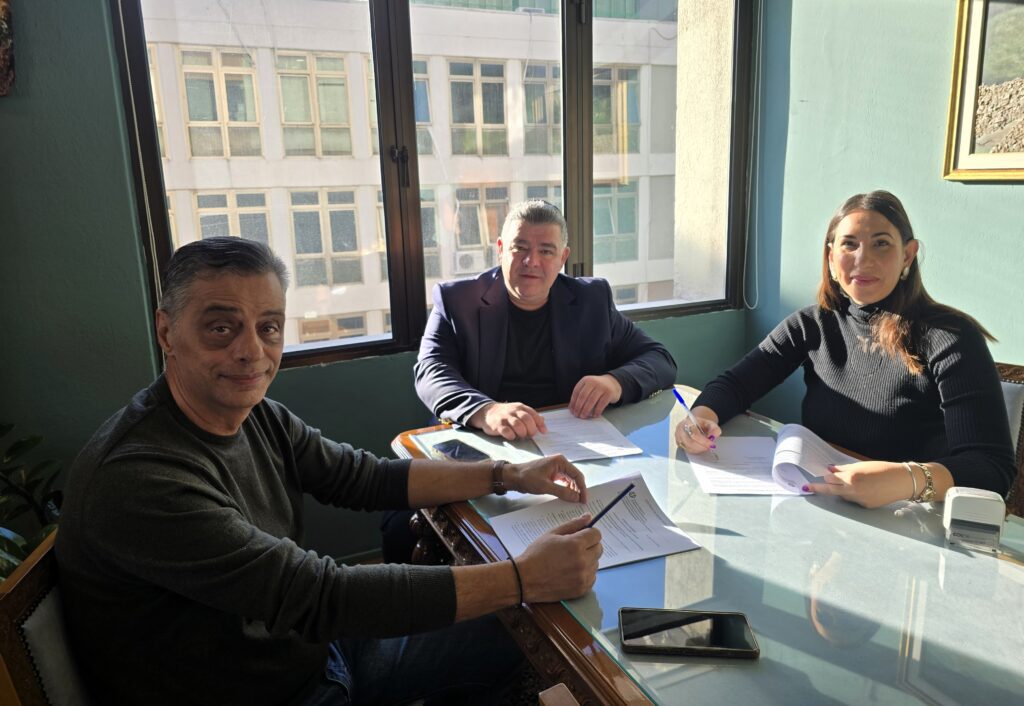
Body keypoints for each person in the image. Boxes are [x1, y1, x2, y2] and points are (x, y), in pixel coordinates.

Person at [55, 237, 603, 706]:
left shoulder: (256, 415)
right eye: (221, 328)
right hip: (266, 693)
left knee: (512, 637)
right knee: (518, 618)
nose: (252, 351)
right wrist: (522, 578)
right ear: (166, 331)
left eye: (269, 327)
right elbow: (322, 596)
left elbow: (362, 477)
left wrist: (508, 473)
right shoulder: (141, 478)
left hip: (309, 651)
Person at [675, 190, 1016, 509]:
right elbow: (737, 384)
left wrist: (904, 479)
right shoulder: (812, 323)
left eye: (881, 244)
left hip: (912, 516)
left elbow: (991, 469)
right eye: (849, 244)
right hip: (825, 505)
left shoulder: (951, 337)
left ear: (908, 255)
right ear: (831, 256)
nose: (862, 259)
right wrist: (702, 417)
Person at [414, 199, 677, 441]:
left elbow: (659, 359)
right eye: (520, 248)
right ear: (501, 250)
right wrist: (485, 411)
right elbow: (431, 372)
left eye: (546, 251)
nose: (532, 261)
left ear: (563, 258)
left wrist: (615, 382)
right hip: (486, 441)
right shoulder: (456, 301)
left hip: (568, 440)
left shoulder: (592, 300)